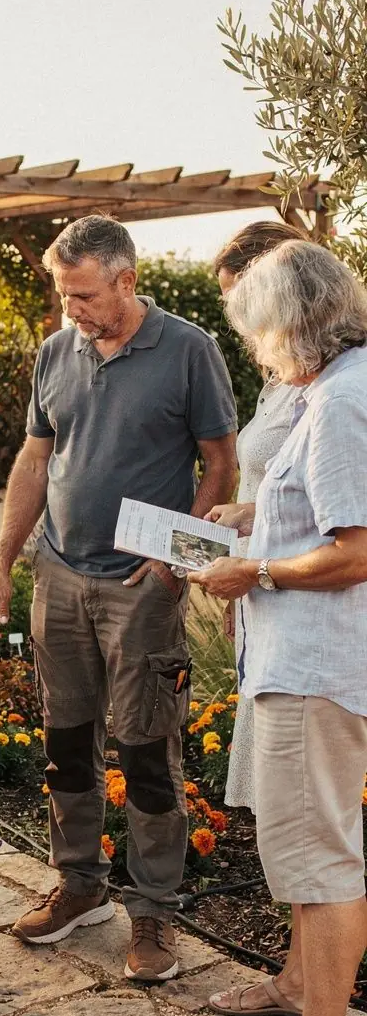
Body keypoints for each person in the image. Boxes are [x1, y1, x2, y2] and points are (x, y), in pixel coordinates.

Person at [0, 214, 238, 981]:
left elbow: (221, 465)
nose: (73, 311)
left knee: (149, 750)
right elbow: (34, 460)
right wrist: (5, 566)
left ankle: (154, 913)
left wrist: (173, 562)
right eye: (64, 296)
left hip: (141, 586)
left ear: (126, 280)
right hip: (59, 576)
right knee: (66, 743)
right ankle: (80, 884)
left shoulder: (190, 349)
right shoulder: (57, 351)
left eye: (84, 295)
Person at [189, 240, 367, 1016]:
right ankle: (308, 1011)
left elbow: (356, 551)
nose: (258, 353)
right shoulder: (336, 391)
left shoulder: (341, 399)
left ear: (293, 321)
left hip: (314, 665)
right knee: (314, 859)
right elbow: (330, 508)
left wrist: (252, 574)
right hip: (307, 662)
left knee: (321, 864)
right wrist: (260, 517)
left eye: (258, 335)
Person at [212, 220, 307, 811]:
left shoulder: (330, 387)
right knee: (283, 820)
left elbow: (331, 505)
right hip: (261, 594)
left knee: (303, 815)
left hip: (298, 606)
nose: (236, 318)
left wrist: (252, 518)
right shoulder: (279, 378)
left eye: (238, 299)